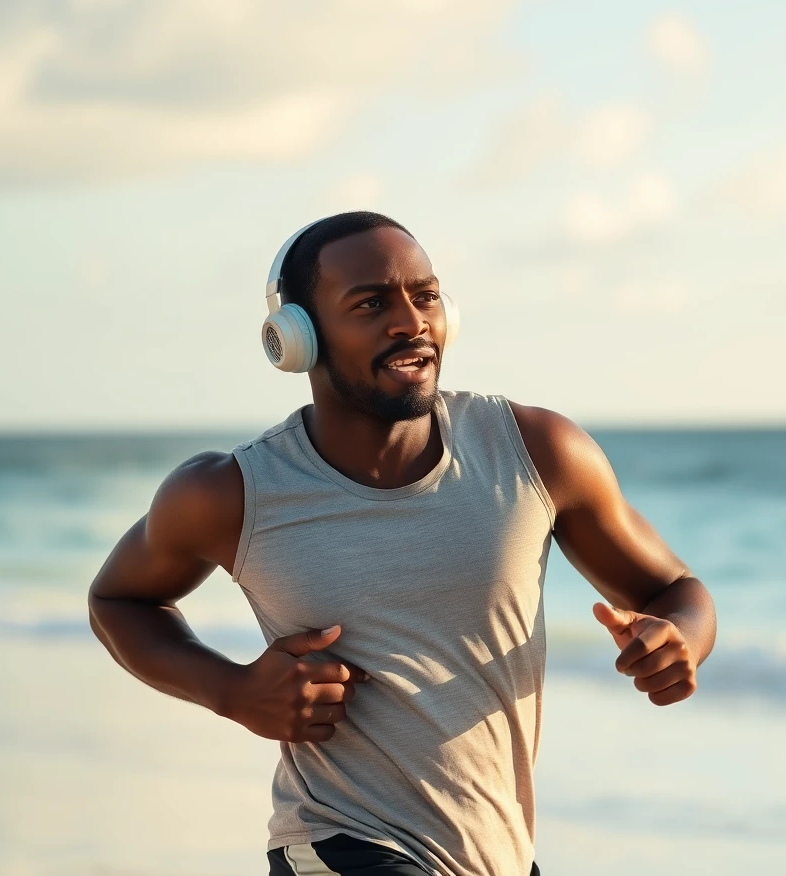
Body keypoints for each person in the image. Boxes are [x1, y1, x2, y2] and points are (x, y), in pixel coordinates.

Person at [88, 211, 716, 876]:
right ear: (297, 337)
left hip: (501, 858)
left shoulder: (539, 453)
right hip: (341, 845)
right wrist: (233, 692)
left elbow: (676, 591)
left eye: (426, 296)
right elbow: (119, 599)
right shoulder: (233, 493)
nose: (411, 322)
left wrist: (680, 640)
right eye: (371, 304)